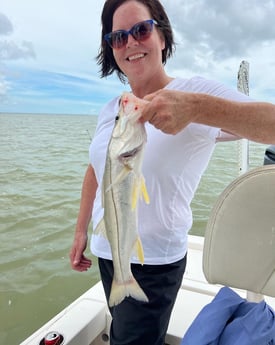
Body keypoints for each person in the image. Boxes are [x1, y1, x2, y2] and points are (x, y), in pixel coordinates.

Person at [70, 1, 275, 344]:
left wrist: (196, 107)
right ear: (111, 49)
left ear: (162, 36)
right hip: (109, 251)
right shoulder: (112, 110)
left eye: (141, 30)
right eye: (118, 37)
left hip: (153, 264)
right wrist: (80, 231)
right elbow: (97, 168)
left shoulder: (195, 92)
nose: (131, 42)